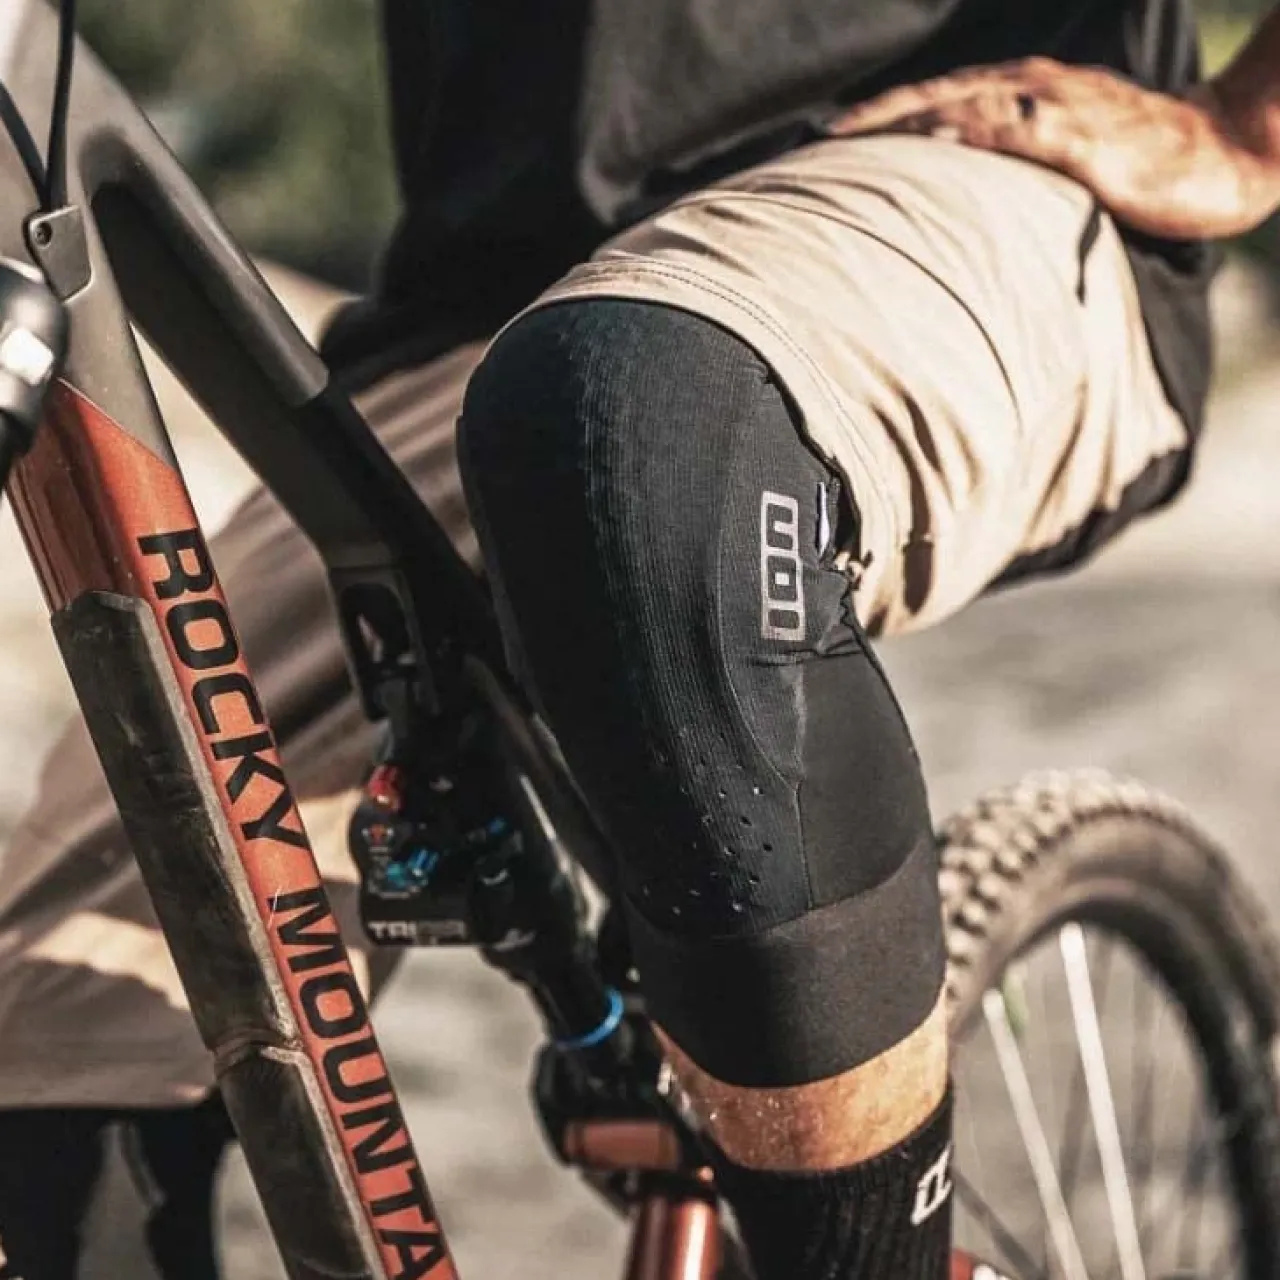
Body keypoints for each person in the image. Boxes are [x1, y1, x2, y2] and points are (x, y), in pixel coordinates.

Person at [1, 0, 1279, 1276]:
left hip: (944, 167)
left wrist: (1244, 129)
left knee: (651, 448)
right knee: (51, 1067)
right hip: (483, 308)